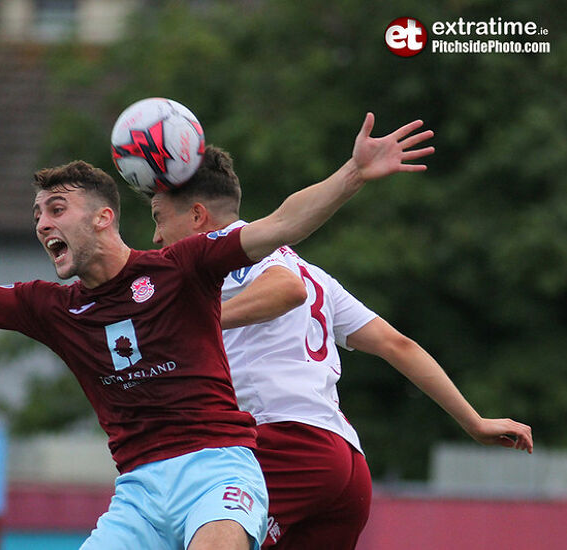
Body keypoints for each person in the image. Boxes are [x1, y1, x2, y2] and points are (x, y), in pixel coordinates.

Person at [0, 112, 434, 550]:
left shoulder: (180, 269)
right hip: (139, 492)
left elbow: (281, 226)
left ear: (104, 219)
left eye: (56, 209)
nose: (42, 224)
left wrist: (351, 175)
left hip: (218, 470)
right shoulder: (50, 308)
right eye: (35, 214)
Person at [148, 144, 534, 550]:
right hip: (344, 464)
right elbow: (397, 344)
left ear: (197, 216)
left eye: (159, 218)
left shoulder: (226, 254)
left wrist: (192, 323)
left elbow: (286, 289)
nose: (155, 236)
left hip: (282, 445)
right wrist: (474, 421)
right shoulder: (315, 274)